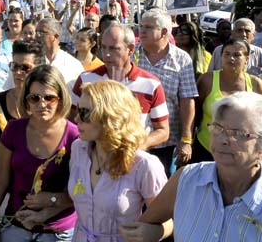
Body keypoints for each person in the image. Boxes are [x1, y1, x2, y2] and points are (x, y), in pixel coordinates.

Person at [121, 92, 262, 242]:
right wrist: (157, 232)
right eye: (218, 128)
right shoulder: (187, 179)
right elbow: (147, 225)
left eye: (239, 134)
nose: (224, 140)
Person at [0, 65, 79, 242]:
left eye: (50, 98)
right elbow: (2, 177)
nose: (42, 104)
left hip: (56, 231)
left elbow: (82, 192)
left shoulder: (75, 136)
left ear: (61, 98)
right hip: (16, 224)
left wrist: (52, 200)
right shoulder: (14, 129)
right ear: (26, 100)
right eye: (34, 98)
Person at [70, 80, 167, 241]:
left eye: (84, 113)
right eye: (78, 110)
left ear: (109, 116)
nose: (76, 119)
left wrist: (155, 233)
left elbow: (170, 219)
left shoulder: (144, 164)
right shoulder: (78, 149)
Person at [71, 24, 170, 150]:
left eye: (113, 49)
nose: (106, 54)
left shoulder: (151, 84)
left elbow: (163, 130)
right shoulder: (85, 79)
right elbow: (72, 121)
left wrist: (137, 146)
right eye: (104, 48)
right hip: (92, 159)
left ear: (131, 49)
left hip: (132, 161)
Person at [135, 8, 198, 175]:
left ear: (163, 32)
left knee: (161, 193)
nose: (142, 30)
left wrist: (186, 139)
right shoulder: (132, 53)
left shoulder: (181, 59)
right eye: (141, 25)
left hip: (166, 143)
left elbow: (187, 100)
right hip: (133, 139)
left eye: (148, 27)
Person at [0, 40, 44, 178]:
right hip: (1, 175)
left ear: (38, 69)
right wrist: (2, 150)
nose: (18, 72)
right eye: (14, 66)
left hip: (34, 178)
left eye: (25, 68)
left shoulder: (45, 103)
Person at [192, 39, 262, 163]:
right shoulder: (207, 80)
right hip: (205, 148)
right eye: (227, 54)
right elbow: (193, 113)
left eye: (237, 55)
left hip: (240, 154)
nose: (231, 58)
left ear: (247, 58)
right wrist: (187, 141)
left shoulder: (255, 84)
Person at [36, 17, 85, 89]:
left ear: (55, 36)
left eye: (42, 32)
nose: (37, 35)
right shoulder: (32, 62)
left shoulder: (73, 65)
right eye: (36, 32)